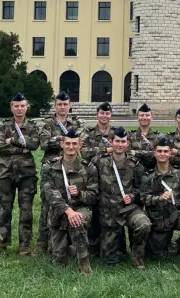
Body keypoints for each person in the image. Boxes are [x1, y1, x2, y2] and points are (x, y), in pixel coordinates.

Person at [41, 129, 98, 275]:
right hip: (59, 212)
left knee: (77, 220)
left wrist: (79, 194)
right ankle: (70, 247)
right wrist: (68, 211)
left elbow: (93, 196)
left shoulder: (88, 168)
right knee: (59, 260)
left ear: (80, 145)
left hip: (81, 209)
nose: (71, 147)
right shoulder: (49, 167)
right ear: (62, 144)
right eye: (67, 143)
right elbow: (50, 194)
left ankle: (84, 262)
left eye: (74, 143)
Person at [93, 126, 151, 269]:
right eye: (117, 141)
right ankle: (117, 248)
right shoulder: (101, 162)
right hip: (108, 212)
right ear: (111, 142)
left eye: (123, 141)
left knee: (144, 224)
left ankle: (137, 256)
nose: (120, 144)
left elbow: (142, 189)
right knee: (110, 260)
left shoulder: (135, 163)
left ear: (127, 143)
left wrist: (132, 196)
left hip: (129, 209)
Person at [0, 92, 40, 257]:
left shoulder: (33, 126)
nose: (20, 109)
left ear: (27, 107)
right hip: (5, 173)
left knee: (26, 211)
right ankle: (1, 244)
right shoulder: (2, 126)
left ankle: (25, 246)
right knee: (4, 210)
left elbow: (34, 144)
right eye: (16, 106)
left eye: (22, 106)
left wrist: (13, 141)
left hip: (27, 174)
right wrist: (21, 147)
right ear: (12, 108)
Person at [36, 90, 86, 254]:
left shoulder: (77, 122)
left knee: (71, 201)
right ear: (55, 105)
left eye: (65, 104)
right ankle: (42, 243)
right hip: (51, 167)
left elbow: (81, 140)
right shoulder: (47, 123)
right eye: (59, 104)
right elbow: (43, 143)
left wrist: (59, 141)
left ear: (70, 105)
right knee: (47, 203)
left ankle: (70, 240)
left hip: (72, 168)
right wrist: (65, 141)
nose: (62, 107)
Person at [140, 138, 180, 270]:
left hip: (175, 215)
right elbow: (143, 198)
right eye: (159, 151)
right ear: (155, 154)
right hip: (157, 220)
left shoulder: (179, 174)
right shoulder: (148, 176)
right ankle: (172, 244)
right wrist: (159, 199)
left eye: (165, 151)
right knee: (158, 256)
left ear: (170, 154)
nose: (162, 154)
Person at [80, 101, 117, 257]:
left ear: (111, 115)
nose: (104, 116)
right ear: (97, 114)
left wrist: (97, 152)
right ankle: (93, 246)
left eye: (107, 113)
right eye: (102, 113)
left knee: (111, 213)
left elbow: (121, 149)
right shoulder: (87, 132)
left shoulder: (116, 133)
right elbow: (84, 152)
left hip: (112, 179)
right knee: (93, 210)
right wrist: (107, 149)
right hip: (92, 177)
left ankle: (114, 246)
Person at [129, 103, 161, 170]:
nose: (144, 118)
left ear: (151, 117)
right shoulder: (130, 135)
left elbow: (159, 154)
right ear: (137, 117)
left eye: (147, 115)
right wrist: (150, 154)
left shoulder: (159, 136)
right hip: (134, 171)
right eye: (141, 115)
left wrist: (136, 153)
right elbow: (128, 153)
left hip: (154, 172)